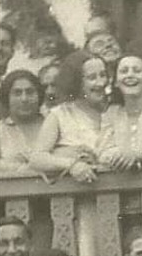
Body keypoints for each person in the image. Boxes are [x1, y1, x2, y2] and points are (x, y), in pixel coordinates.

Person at [30, 50, 113, 180]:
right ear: (76, 82)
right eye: (92, 78)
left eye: (103, 75)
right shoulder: (60, 115)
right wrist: (71, 165)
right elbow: (37, 159)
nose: (101, 83)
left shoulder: (115, 111)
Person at [0, 70, 47, 172]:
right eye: (17, 93)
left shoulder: (53, 125)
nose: (24, 98)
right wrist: (24, 168)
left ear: (39, 95)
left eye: (30, 92)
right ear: (6, 97)